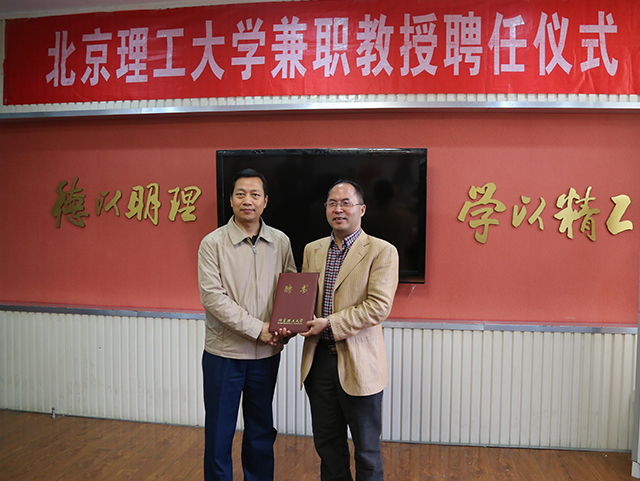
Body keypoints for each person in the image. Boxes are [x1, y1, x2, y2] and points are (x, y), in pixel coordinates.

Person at [198, 168, 296, 481]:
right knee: (219, 433)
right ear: (231, 200)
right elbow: (213, 299)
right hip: (224, 355)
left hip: (266, 355)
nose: (247, 200)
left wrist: (287, 327)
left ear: (265, 201)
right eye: (240, 194)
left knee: (261, 431)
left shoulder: (280, 241)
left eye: (255, 194)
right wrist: (258, 329)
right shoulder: (212, 243)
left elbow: (292, 287)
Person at [300, 179, 399, 481]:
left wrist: (330, 324)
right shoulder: (312, 249)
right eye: (332, 203)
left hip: (360, 362)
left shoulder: (382, 251)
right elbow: (303, 298)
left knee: (367, 451)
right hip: (319, 362)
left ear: (362, 209)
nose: (338, 209)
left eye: (346, 203)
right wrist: (292, 320)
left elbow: (378, 307)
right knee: (328, 447)